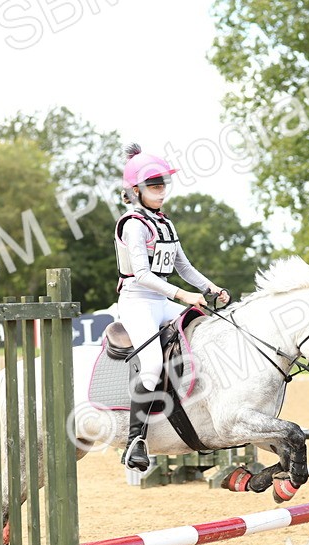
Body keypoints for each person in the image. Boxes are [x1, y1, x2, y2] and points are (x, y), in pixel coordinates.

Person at [113, 143, 230, 471]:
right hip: (137, 303)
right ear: (135, 191)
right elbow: (143, 275)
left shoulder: (165, 224)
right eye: (153, 184)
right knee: (151, 365)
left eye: (163, 183)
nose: (161, 190)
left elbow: (185, 267)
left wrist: (210, 288)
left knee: (205, 339)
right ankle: (135, 440)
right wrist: (185, 297)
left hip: (162, 301)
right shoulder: (133, 224)